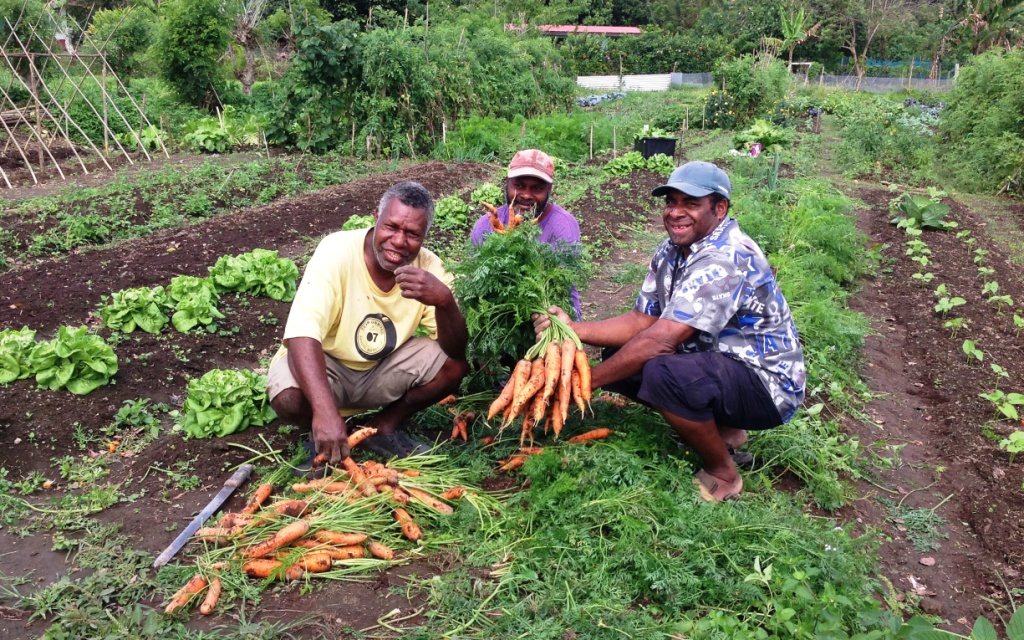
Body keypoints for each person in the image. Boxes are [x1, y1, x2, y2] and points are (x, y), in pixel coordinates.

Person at [533, 161, 805, 501]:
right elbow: (640, 322)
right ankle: (727, 431)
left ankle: (723, 472)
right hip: (723, 363)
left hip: (767, 384)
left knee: (663, 372)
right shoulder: (672, 250)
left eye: (690, 203)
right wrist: (572, 328)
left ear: (719, 209)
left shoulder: (726, 255)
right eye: (671, 202)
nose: (676, 212)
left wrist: (584, 386)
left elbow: (661, 339)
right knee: (621, 353)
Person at [267, 181, 470, 463]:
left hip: (381, 368)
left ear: (425, 236)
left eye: (412, 234)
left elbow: (457, 351)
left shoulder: (430, 268)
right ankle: (319, 433)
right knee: (288, 397)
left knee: (454, 365)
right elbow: (303, 332)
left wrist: (445, 302)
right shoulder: (337, 251)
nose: (399, 241)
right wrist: (326, 413)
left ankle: (382, 427)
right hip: (329, 366)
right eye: (391, 227)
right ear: (376, 217)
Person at [470, 149, 583, 320]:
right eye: (519, 186)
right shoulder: (485, 225)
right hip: (500, 316)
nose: (526, 195)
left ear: (549, 189)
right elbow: (476, 282)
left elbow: (561, 287)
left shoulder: (563, 225)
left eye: (537, 188)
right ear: (507, 183)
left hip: (552, 315)